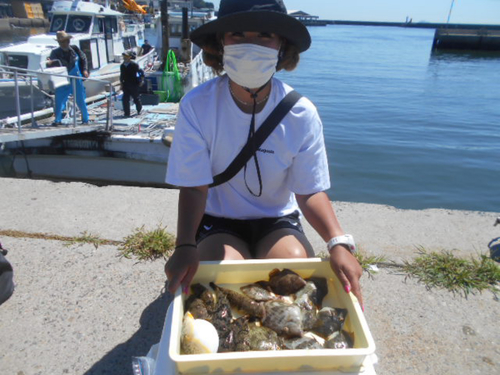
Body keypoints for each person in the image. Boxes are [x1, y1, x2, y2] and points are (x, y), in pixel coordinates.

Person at [164, 0, 364, 309]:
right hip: (220, 220)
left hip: (277, 219)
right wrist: (185, 244)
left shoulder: (301, 113)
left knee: (294, 272)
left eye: (264, 35)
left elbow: (309, 190)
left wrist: (337, 241)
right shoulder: (196, 105)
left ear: (282, 46)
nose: (250, 45)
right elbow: (194, 185)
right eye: (237, 34)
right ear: (220, 43)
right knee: (223, 280)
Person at [48, 31, 89, 126]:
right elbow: (51, 64)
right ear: (58, 43)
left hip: (76, 77)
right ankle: (57, 120)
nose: (64, 43)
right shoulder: (55, 52)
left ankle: (85, 120)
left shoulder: (74, 49)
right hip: (63, 79)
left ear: (68, 41)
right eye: (61, 42)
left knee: (81, 99)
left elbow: (83, 58)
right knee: (59, 100)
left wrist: (85, 70)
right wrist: (50, 63)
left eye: (66, 41)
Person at [120, 50, 143, 117]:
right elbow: (122, 76)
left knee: (136, 98)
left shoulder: (134, 65)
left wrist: (141, 80)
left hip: (134, 84)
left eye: (126, 56)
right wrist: (121, 84)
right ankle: (127, 113)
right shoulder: (122, 66)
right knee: (125, 99)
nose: (124, 57)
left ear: (130, 57)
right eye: (124, 56)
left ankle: (139, 110)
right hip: (126, 84)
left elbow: (140, 72)